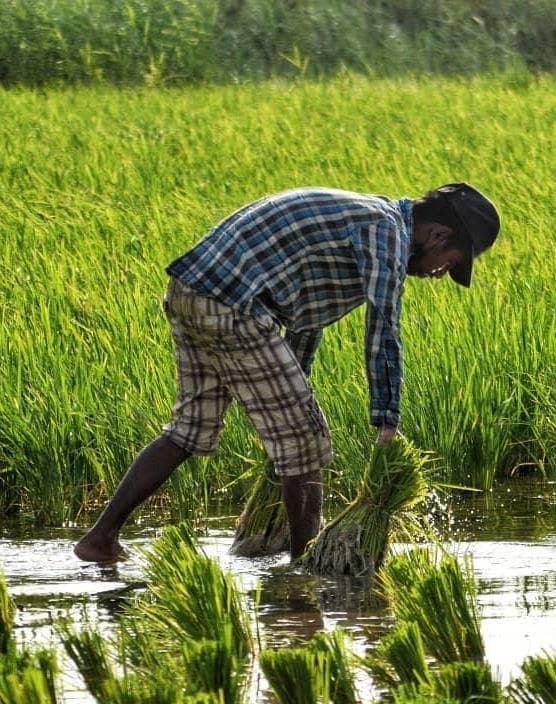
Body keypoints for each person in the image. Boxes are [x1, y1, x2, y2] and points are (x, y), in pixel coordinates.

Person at [74, 183, 500, 563]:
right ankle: (305, 568)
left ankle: (101, 538)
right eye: (450, 260)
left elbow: (304, 318)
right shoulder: (385, 231)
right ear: (437, 235)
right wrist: (387, 420)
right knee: (305, 443)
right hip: (233, 304)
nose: (441, 272)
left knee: (189, 431)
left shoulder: (367, 218)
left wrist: (293, 388)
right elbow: (383, 326)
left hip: (192, 292)